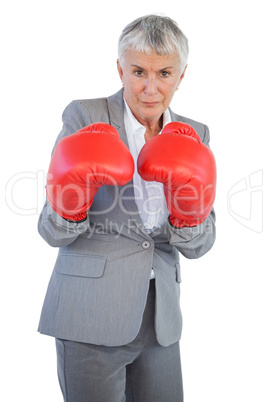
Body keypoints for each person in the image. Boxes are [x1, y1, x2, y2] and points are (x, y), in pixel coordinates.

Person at [38, 14, 216, 402]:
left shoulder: (195, 132)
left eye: (164, 73)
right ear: (120, 68)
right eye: (138, 71)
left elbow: (200, 245)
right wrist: (71, 200)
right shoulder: (85, 116)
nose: (150, 88)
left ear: (181, 75)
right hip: (89, 314)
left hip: (160, 321)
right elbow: (51, 231)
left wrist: (189, 215)